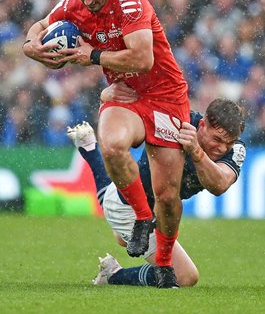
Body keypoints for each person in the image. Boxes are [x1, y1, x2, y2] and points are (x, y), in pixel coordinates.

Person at [22, 0, 190, 287]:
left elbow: (143, 58)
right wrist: (30, 47)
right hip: (124, 94)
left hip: (166, 96)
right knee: (111, 144)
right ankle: (143, 218)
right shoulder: (73, 5)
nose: (87, 2)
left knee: (167, 195)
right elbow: (40, 27)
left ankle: (165, 264)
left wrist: (93, 56)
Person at [67, 92, 246, 287]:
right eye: (217, 140)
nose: (222, 148)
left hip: (158, 214)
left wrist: (196, 151)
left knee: (121, 238)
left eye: (229, 143)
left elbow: (219, 185)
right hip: (130, 207)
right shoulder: (175, 121)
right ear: (202, 125)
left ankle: (90, 149)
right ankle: (113, 275)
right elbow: (137, 106)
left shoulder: (236, 149)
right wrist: (107, 95)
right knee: (185, 276)